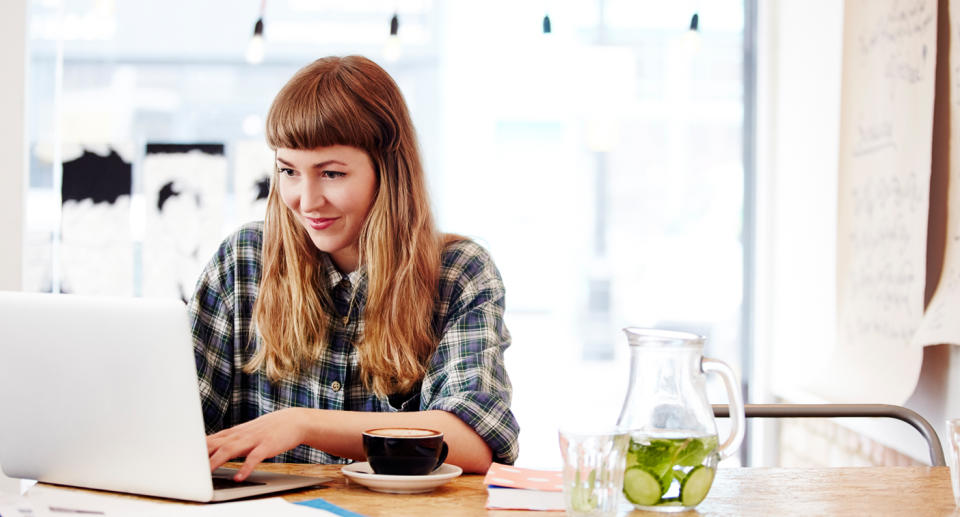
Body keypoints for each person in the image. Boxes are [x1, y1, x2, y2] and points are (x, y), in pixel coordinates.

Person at [188, 55, 519, 482]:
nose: (306, 202)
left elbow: (473, 440)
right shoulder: (242, 261)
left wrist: (302, 424)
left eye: (331, 173)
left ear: (388, 172)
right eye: (288, 170)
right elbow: (175, 422)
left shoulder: (459, 273)